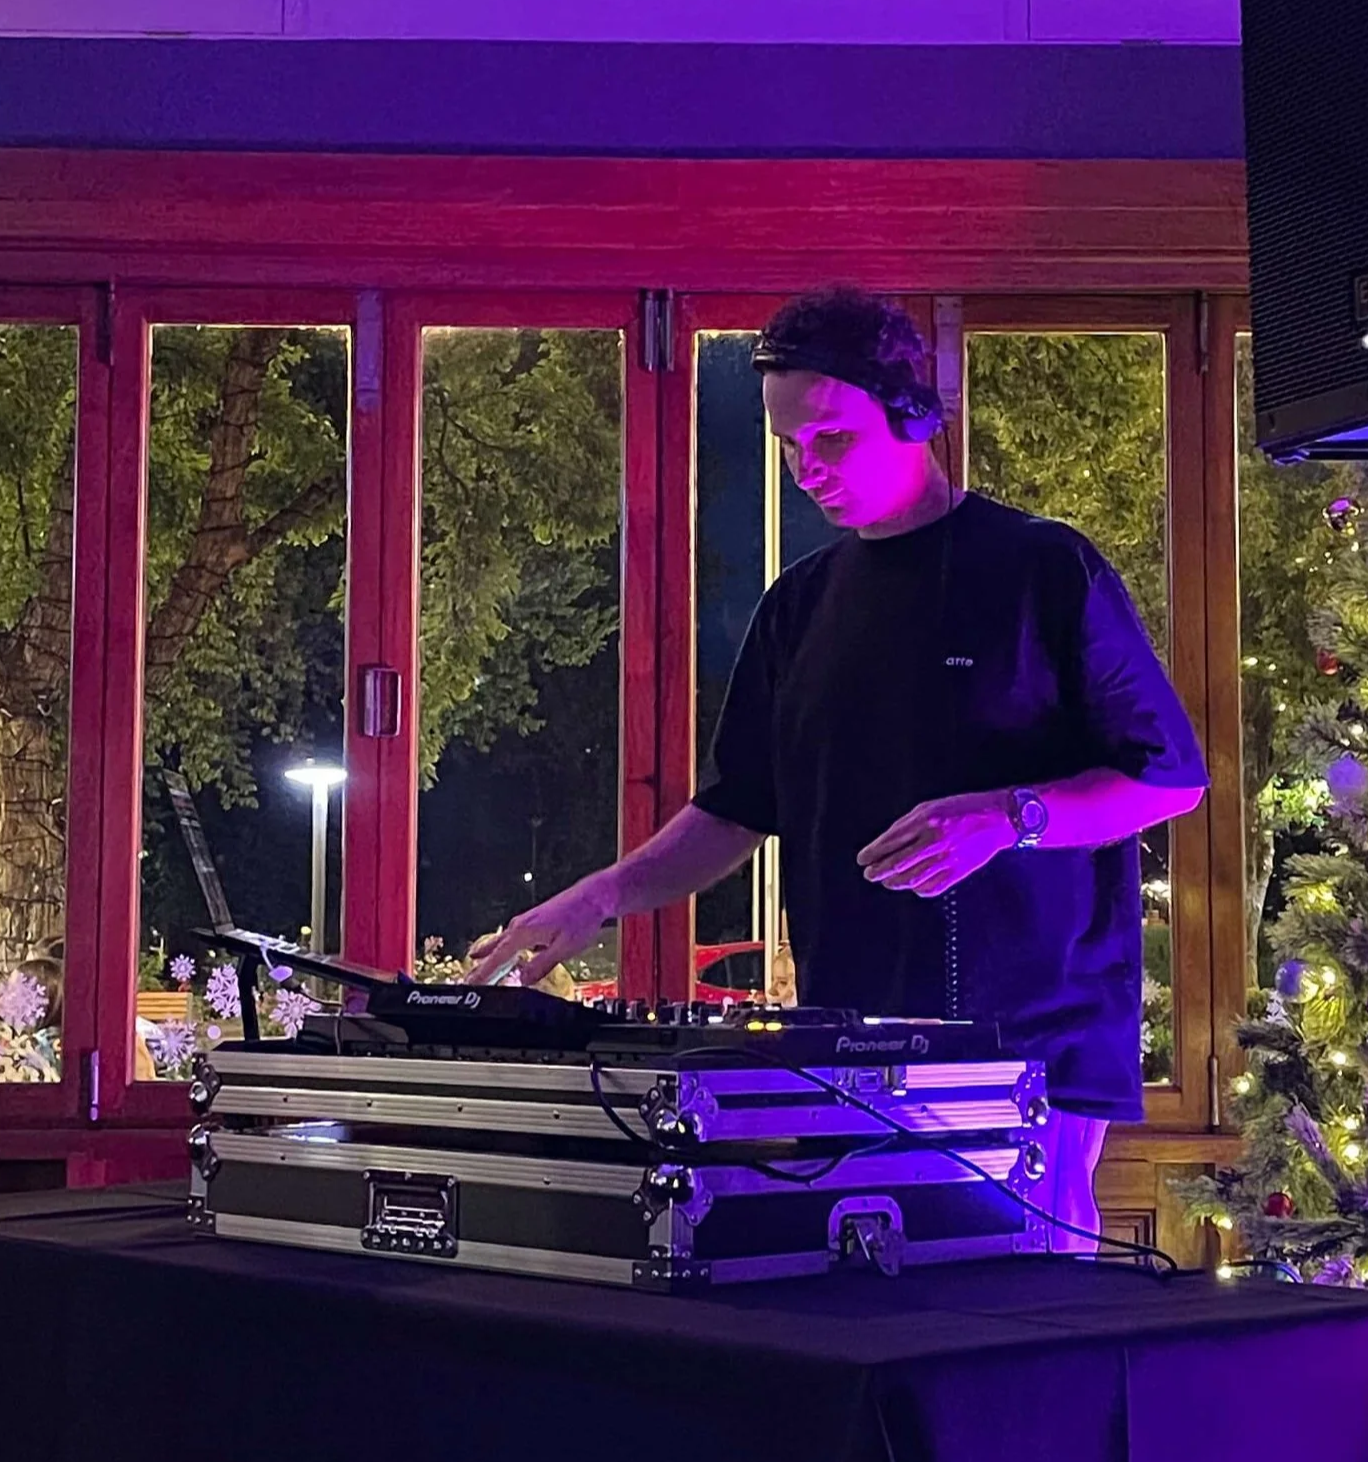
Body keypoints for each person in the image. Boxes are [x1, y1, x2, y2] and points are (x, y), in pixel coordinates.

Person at [467, 286, 1207, 1248]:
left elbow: (1170, 778)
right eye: (786, 447)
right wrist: (602, 897)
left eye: (831, 441)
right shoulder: (797, 608)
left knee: (1016, 1316)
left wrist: (1007, 816)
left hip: (1030, 1047)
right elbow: (733, 811)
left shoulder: (1044, 569)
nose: (806, 470)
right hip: (843, 1048)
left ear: (910, 414)